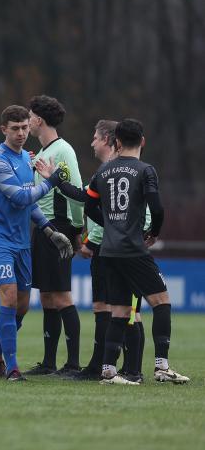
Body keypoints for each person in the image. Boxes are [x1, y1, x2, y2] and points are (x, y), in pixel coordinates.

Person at [84, 118, 188, 385]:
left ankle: (108, 370)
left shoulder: (104, 171)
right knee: (162, 302)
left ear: (116, 142)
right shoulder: (145, 170)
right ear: (142, 141)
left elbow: (89, 206)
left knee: (119, 311)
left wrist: (109, 223)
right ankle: (162, 367)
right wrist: (153, 233)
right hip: (133, 249)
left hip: (108, 251)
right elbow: (158, 208)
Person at [42, 120, 148, 382]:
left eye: (95, 137)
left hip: (118, 250)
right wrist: (55, 179)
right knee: (108, 307)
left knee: (127, 310)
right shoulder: (107, 170)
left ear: (109, 141)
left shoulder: (122, 171)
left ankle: (131, 369)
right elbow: (85, 198)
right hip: (109, 248)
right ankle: (102, 365)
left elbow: (128, 214)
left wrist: (93, 241)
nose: (91, 142)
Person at [0, 105, 72, 381]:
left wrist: (49, 230)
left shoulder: (26, 161)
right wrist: (51, 182)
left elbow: (28, 204)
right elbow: (20, 197)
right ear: (4, 129)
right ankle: (12, 368)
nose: (21, 133)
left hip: (20, 242)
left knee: (22, 306)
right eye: (15, 128)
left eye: (24, 128)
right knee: (8, 297)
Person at [26, 95, 84, 377]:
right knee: (48, 297)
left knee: (62, 296)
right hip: (42, 228)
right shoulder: (42, 152)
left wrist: (75, 230)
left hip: (58, 228)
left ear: (38, 119)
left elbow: (76, 192)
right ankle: (49, 363)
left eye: (29, 115)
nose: (27, 120)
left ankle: (73, 364)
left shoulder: (63, 151)